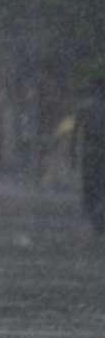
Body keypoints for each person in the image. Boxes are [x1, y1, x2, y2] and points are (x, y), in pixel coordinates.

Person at [77, 76, 105, 234]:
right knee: (99, 184)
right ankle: (98, 214)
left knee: (90, 185)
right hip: (98, 150)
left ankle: (94, 214)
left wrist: (72, 153)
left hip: (90, 151)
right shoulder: (86, 108)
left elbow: (75, 132)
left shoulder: (85, 108)